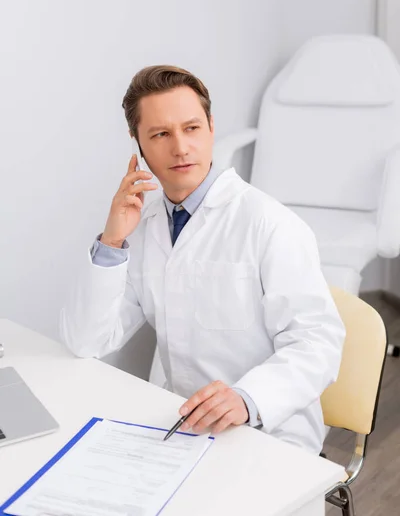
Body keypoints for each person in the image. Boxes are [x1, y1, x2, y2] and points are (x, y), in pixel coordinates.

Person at [60, 65, 345, 454]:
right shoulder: (143, 228)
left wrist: (247, 398)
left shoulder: (270, 224)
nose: (180, 147)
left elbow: (317, 342)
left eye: (191, 128)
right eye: (160, 134)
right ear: (138, 144)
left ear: (211, 126)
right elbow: (85, 340)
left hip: (268, 431)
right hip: (178, 423)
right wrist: (111, 241)